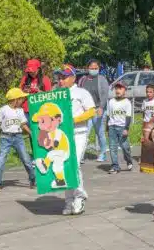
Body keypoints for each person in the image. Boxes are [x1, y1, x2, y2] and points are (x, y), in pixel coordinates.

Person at [55, 64, 96, 215]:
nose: (61, 80)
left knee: (74, 164)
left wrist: (74, 120)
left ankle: (79, 197)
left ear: (73, 77)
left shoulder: (81, 92)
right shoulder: (56, 93)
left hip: (78, 133)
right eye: (59, 78)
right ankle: (68, 200)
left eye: (64, 77)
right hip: (61, 135)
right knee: (64, 166)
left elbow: (91, 111)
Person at [0, 88, 36, 192]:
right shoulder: (4, 110)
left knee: (26, 159)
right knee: (1, 161)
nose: (23, 100)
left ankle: (32, 178)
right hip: (5, 138)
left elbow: (23, 124)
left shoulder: (20, 110)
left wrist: (31, 133)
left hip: (18, 138)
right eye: (21, 99)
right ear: (15, 99)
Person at [78, 60, 110, 161]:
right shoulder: (83, 80)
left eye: (96, 68)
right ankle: (80, 155)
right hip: (86, 110)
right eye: (92, 68)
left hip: (97, 109)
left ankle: (103, 153)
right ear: (87, 68)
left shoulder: (102, 79)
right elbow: (79, 93)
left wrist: (101, 107)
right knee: (84, 133)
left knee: (99, 132)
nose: (94, 70)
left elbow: (105, 94)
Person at [106, 81, 134, 174]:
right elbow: (108, 115)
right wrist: (107, 127)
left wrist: (126, 128)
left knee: (125, 147)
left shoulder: (127, 102)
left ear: (125, 90)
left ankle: (129, 160)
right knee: (112, 147)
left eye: (120, 88)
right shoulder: (111, 101)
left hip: (122, 127)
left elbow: (128, 117)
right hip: (112, 127)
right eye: (116, 88)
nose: (118, 90)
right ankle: (115, 166)